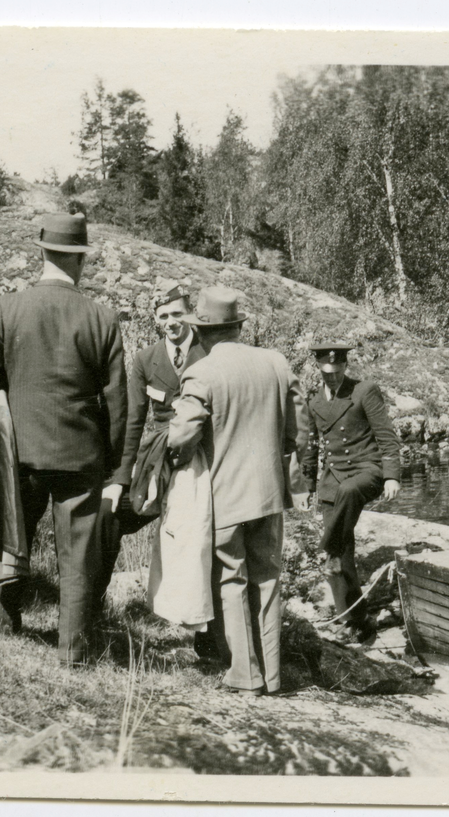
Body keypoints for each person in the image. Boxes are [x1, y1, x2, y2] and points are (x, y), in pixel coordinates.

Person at [0, 213, 127, 667]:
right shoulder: (103, 319)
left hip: (21, 450)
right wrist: (113, 463)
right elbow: (118, 404)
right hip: (82, 456)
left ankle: (4, 622)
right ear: (80, 261)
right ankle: (72, 651)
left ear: (42, 254)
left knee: (13, 536)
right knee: (77, 559)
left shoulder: (6, 308)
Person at [168, 286, 307, 696]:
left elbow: (181, 437)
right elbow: (298, 427)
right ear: (237, 327)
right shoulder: (276, 363)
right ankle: (273, 675)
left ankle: (245, 674)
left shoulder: (202, 373)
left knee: (232, 580)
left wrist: (182, 462)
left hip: (225, 496)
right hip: (269, 494)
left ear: (202, 332)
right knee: (268, 579)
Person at [94, 280, 207, 604]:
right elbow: (133, 421)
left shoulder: (208, 351)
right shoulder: (146, 360)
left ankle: (208, 635)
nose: (170, 322)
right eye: (163, 317)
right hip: (159, 462)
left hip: (201, 461)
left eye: (176, 314)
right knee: (109, 514)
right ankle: (92, 606)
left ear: (190, 314)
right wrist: (120, 479)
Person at [303, 343, 402, 642]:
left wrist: (391, 476)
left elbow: (387, 436)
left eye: (337, 372)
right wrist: (308, 486)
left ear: (345, 367)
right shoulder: (313, 402)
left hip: (366, 469)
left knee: (346, 493)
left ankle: (327, 549)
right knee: (344, 553)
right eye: (326, 373)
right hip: (333, 476)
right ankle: (357, 620)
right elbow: (310, 447)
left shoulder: (364, 391)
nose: (332, 378)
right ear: (319, 370)